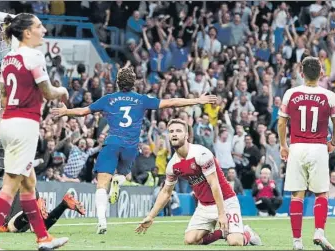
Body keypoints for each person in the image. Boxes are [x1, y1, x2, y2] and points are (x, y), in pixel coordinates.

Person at [51, 67, 217, 234]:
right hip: (131, 146)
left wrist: (66, 111)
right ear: (134, 83)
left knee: (101, 184)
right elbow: (171, 102)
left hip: (112, 143)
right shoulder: (141, 100)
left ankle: (102, 222)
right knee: (123, 175)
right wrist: (197, 100)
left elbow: (82, 112)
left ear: (117, 82)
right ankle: (119, 180)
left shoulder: (108, 99)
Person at [0, 13, 70, 251]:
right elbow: (48, 92)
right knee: (11, 185)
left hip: (8, 122)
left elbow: (3, 96)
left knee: (29, 184)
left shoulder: (8, 58)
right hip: (24, 125)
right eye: (39, 26)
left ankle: (43, 239)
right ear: (27, 32)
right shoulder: (34, 56)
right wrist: (63, 91)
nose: (44, 30)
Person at [135, 119, 262, 247]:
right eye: (171, 131)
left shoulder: (201, 154)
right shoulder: (172, 165)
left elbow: (214, 184)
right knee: (190, 240)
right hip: (204, 205)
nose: (174, 134)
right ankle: (223, 233)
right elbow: (166, 193)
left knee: (235, 242)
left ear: (186, 135)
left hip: (225, 201)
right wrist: (150, 216)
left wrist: (221, 214)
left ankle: (247, 234)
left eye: (178, 131)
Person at [278, 56, 335, 251]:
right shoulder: (328, 96)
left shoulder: (291, 93)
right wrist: (332, 142)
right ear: (321, 73)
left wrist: (283, 145)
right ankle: (319, 232)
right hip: (318, 148)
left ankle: (297, 242)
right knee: (321, 193)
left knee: (297, 194)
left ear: (301, 72)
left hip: (297, 147)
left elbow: (281, 123)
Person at [0, 188, 85, 233]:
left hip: (19, 195)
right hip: (29, 192)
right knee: (36, 229)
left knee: (11, 227)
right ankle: (63, 205)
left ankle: (31, 210)